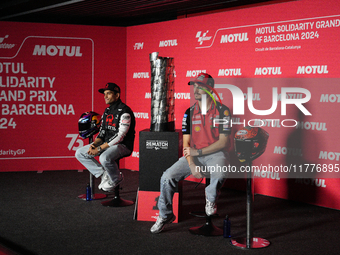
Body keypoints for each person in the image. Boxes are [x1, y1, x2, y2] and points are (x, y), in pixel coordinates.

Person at [150, 73, 231, 234]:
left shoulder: (222, 110)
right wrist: (192, 163)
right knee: (167, 177)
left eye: (200, 86)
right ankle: (165, 215)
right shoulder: (189, 112)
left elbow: (223, 142)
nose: (196, 89)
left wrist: (198, 151)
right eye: (194, 86)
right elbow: (186, 143)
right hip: (194, 155)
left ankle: (210, 199)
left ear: (210, 89)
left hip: (215, 154)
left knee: (221, 169)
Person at [75, 82, 136, 192]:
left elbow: (120, 136)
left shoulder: (125, 111)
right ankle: (104, 174)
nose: (105, 96)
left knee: (104, 157)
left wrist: (99, 149)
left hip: (123, 145)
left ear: (117, 95)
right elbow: (102, 133)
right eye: (104, 94)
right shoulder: (107, 111)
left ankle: (116, 178)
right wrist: (94, 145)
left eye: (108, 93)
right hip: (107, 144)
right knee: (80, 153)